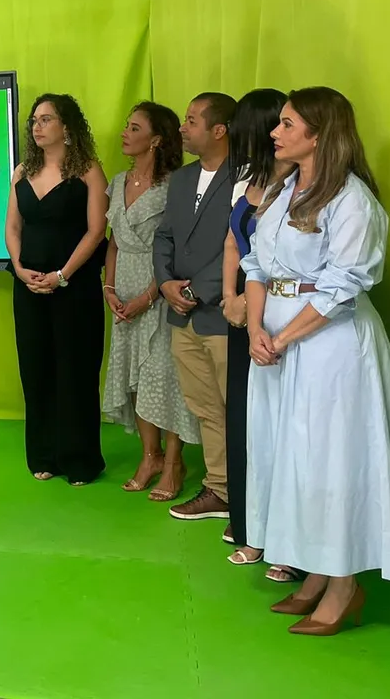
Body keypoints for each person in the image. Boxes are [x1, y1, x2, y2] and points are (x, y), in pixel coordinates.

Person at [243, 87, 390, 635]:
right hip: (276, 344)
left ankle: (344, 586)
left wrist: (282, 339)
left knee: (329, 462)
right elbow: (256, 265)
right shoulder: (283, 189)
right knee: (290, 458)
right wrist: (256, 329)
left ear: (319, 135)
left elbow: (343, 286)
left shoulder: (352, 201)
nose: (275, 132)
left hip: (330, 351)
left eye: (287, 124)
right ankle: (317, 571)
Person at [6, 94, 109, 485]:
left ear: (67, 126)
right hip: (29, 287)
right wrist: (20, 269)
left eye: (46, 119)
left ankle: (79, 459)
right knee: (36, 369)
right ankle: (43, 454)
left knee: (75, 370)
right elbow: (13, 227)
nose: (37, 126)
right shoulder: (22, 171)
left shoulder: (88, 170)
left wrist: (62, 275)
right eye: (34, 120)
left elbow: (96, 231)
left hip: (74, 287)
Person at [102, 102, 198, 501]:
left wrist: (149, 295)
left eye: (134, 128)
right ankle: (150, 456)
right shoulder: (117, 181)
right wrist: (109, 288)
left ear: (156, 139)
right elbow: (113, 243)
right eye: (126, 125)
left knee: (165, 378)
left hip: (161, 290)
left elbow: (177, 247)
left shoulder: (177, 185)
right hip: (123, 290)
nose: (125, 133)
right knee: (135, 379)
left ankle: (174, 462)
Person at [218, 88, 291, 577]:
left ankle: (288, 542)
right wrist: (231, 297)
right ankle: (250, 526)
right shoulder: (247, 178)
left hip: (278, 314)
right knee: (244, 422)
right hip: (242, 311)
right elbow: (233, 241)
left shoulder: (299, 183)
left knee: (281, 428)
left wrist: (253, 302)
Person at [153, 92, 236, 521]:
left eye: (191, 121)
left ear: (218, 130)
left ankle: (249, 494)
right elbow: (164, 235)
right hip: (182, 317)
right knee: (205, 408)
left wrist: (196, 292)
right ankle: (220, 488)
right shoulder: (182, 179)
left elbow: (242, 245)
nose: (182, 129)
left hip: (221, 315)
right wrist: (165, 283)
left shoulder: (246, 177)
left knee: (236, 408)